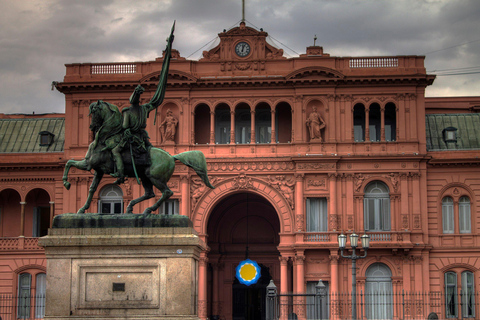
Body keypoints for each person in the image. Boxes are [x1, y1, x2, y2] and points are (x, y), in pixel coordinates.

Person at [110, 25, 175, 184]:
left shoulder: (129, 111)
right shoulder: (144, 108)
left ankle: (119, 174)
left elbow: (125, 127)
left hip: (133, 140)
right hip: (142, 139)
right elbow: (157, 100)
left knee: (116, 151)